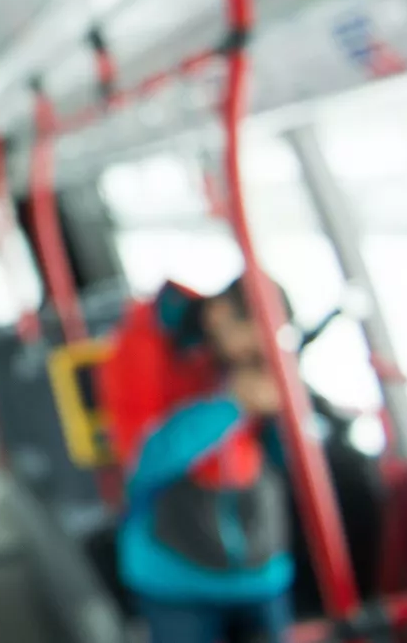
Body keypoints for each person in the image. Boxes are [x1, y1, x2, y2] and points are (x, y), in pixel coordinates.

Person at [99, 275, 294, 643]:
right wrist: (232, 404)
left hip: (260, 569)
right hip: (174, 575)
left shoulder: (244, 359)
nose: (254, 353)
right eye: (250, 340)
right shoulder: (139, 345)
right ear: (220, 314)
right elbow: (143, 461)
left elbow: (281, 460)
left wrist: (284, 405)